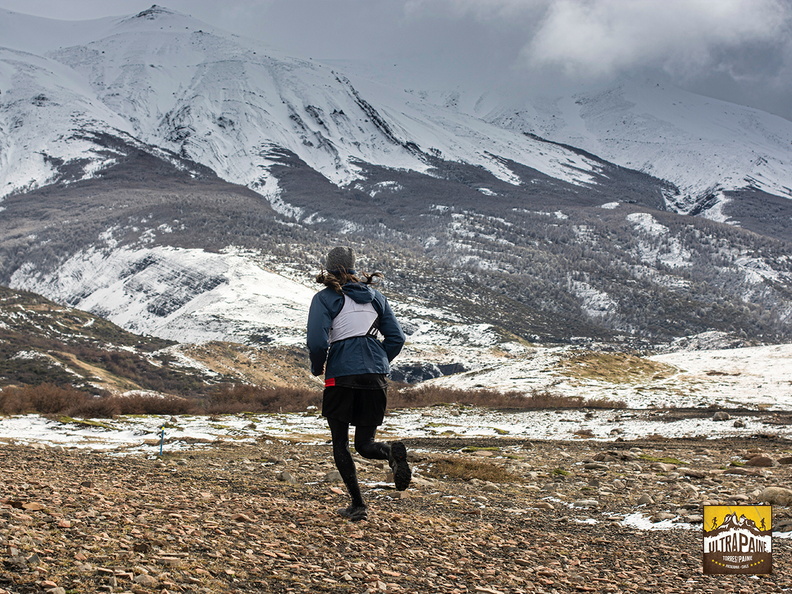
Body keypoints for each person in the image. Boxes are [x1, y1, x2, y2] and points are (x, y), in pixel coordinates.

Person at [307, 246, 410, 521]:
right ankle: (390, 453)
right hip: (375, 377)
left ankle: (358, 505)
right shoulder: (377, 298)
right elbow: (397, 338)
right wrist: (378, 362)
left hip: (341, 376)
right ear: (354, 268)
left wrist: (318, 367)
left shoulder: (325, 298)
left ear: (329, 270)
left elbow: (317, 342)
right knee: (365, 444)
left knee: (340, 443)